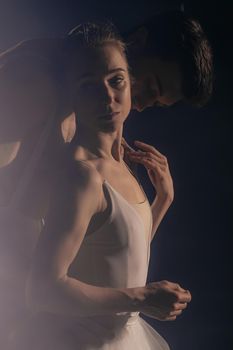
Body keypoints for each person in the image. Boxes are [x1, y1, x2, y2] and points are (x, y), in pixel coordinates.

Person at [11, 22, 192, 350]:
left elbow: (113, 255)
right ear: (72, 95)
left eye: (116, 81)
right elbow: (43, 290)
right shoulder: (81, 176)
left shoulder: (121, 162)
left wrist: (163, 200)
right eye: (88, 86)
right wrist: (142, 297)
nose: (108, 97)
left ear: (129, 78)